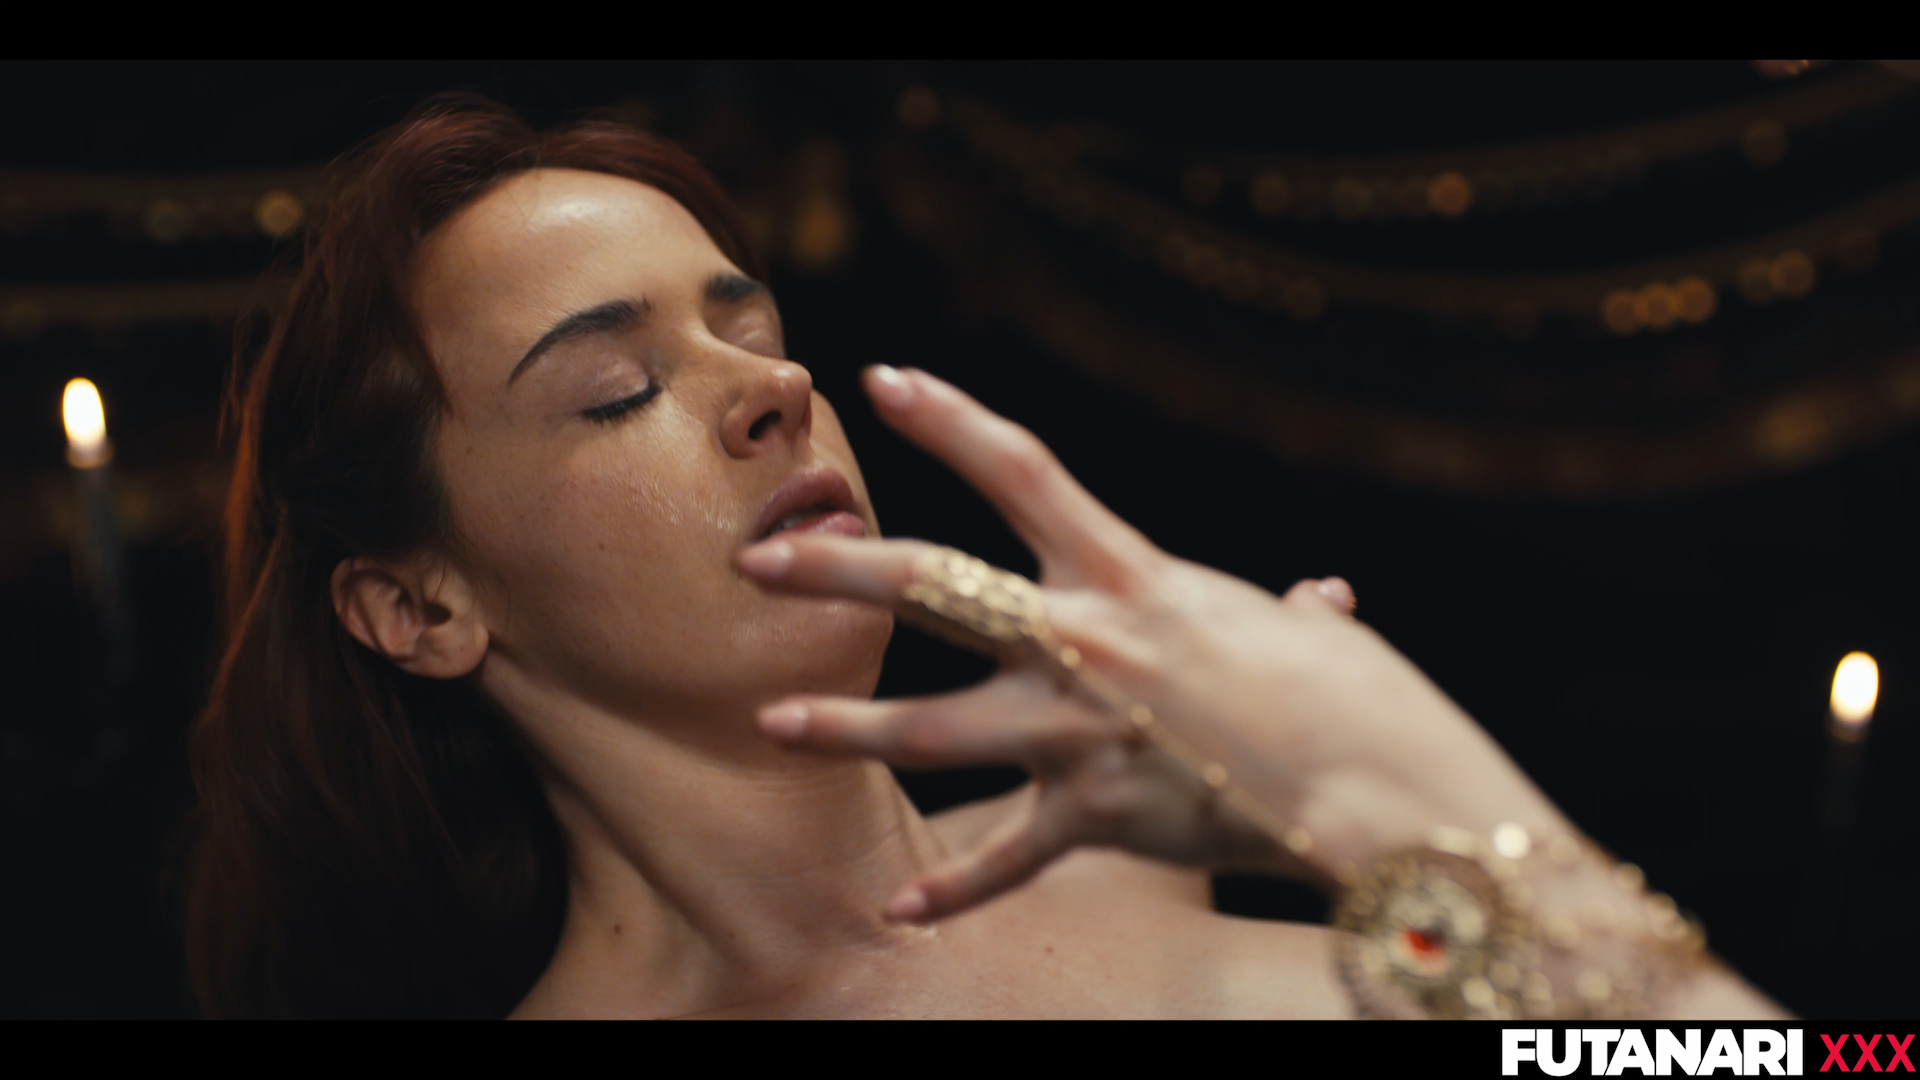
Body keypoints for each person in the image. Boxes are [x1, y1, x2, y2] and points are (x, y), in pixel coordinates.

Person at [184, 92, 1785, 1019]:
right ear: (417, 605)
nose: (773, 394)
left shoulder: (1158, 852)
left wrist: (1429, 822)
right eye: (617, 390)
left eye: (757, 332)